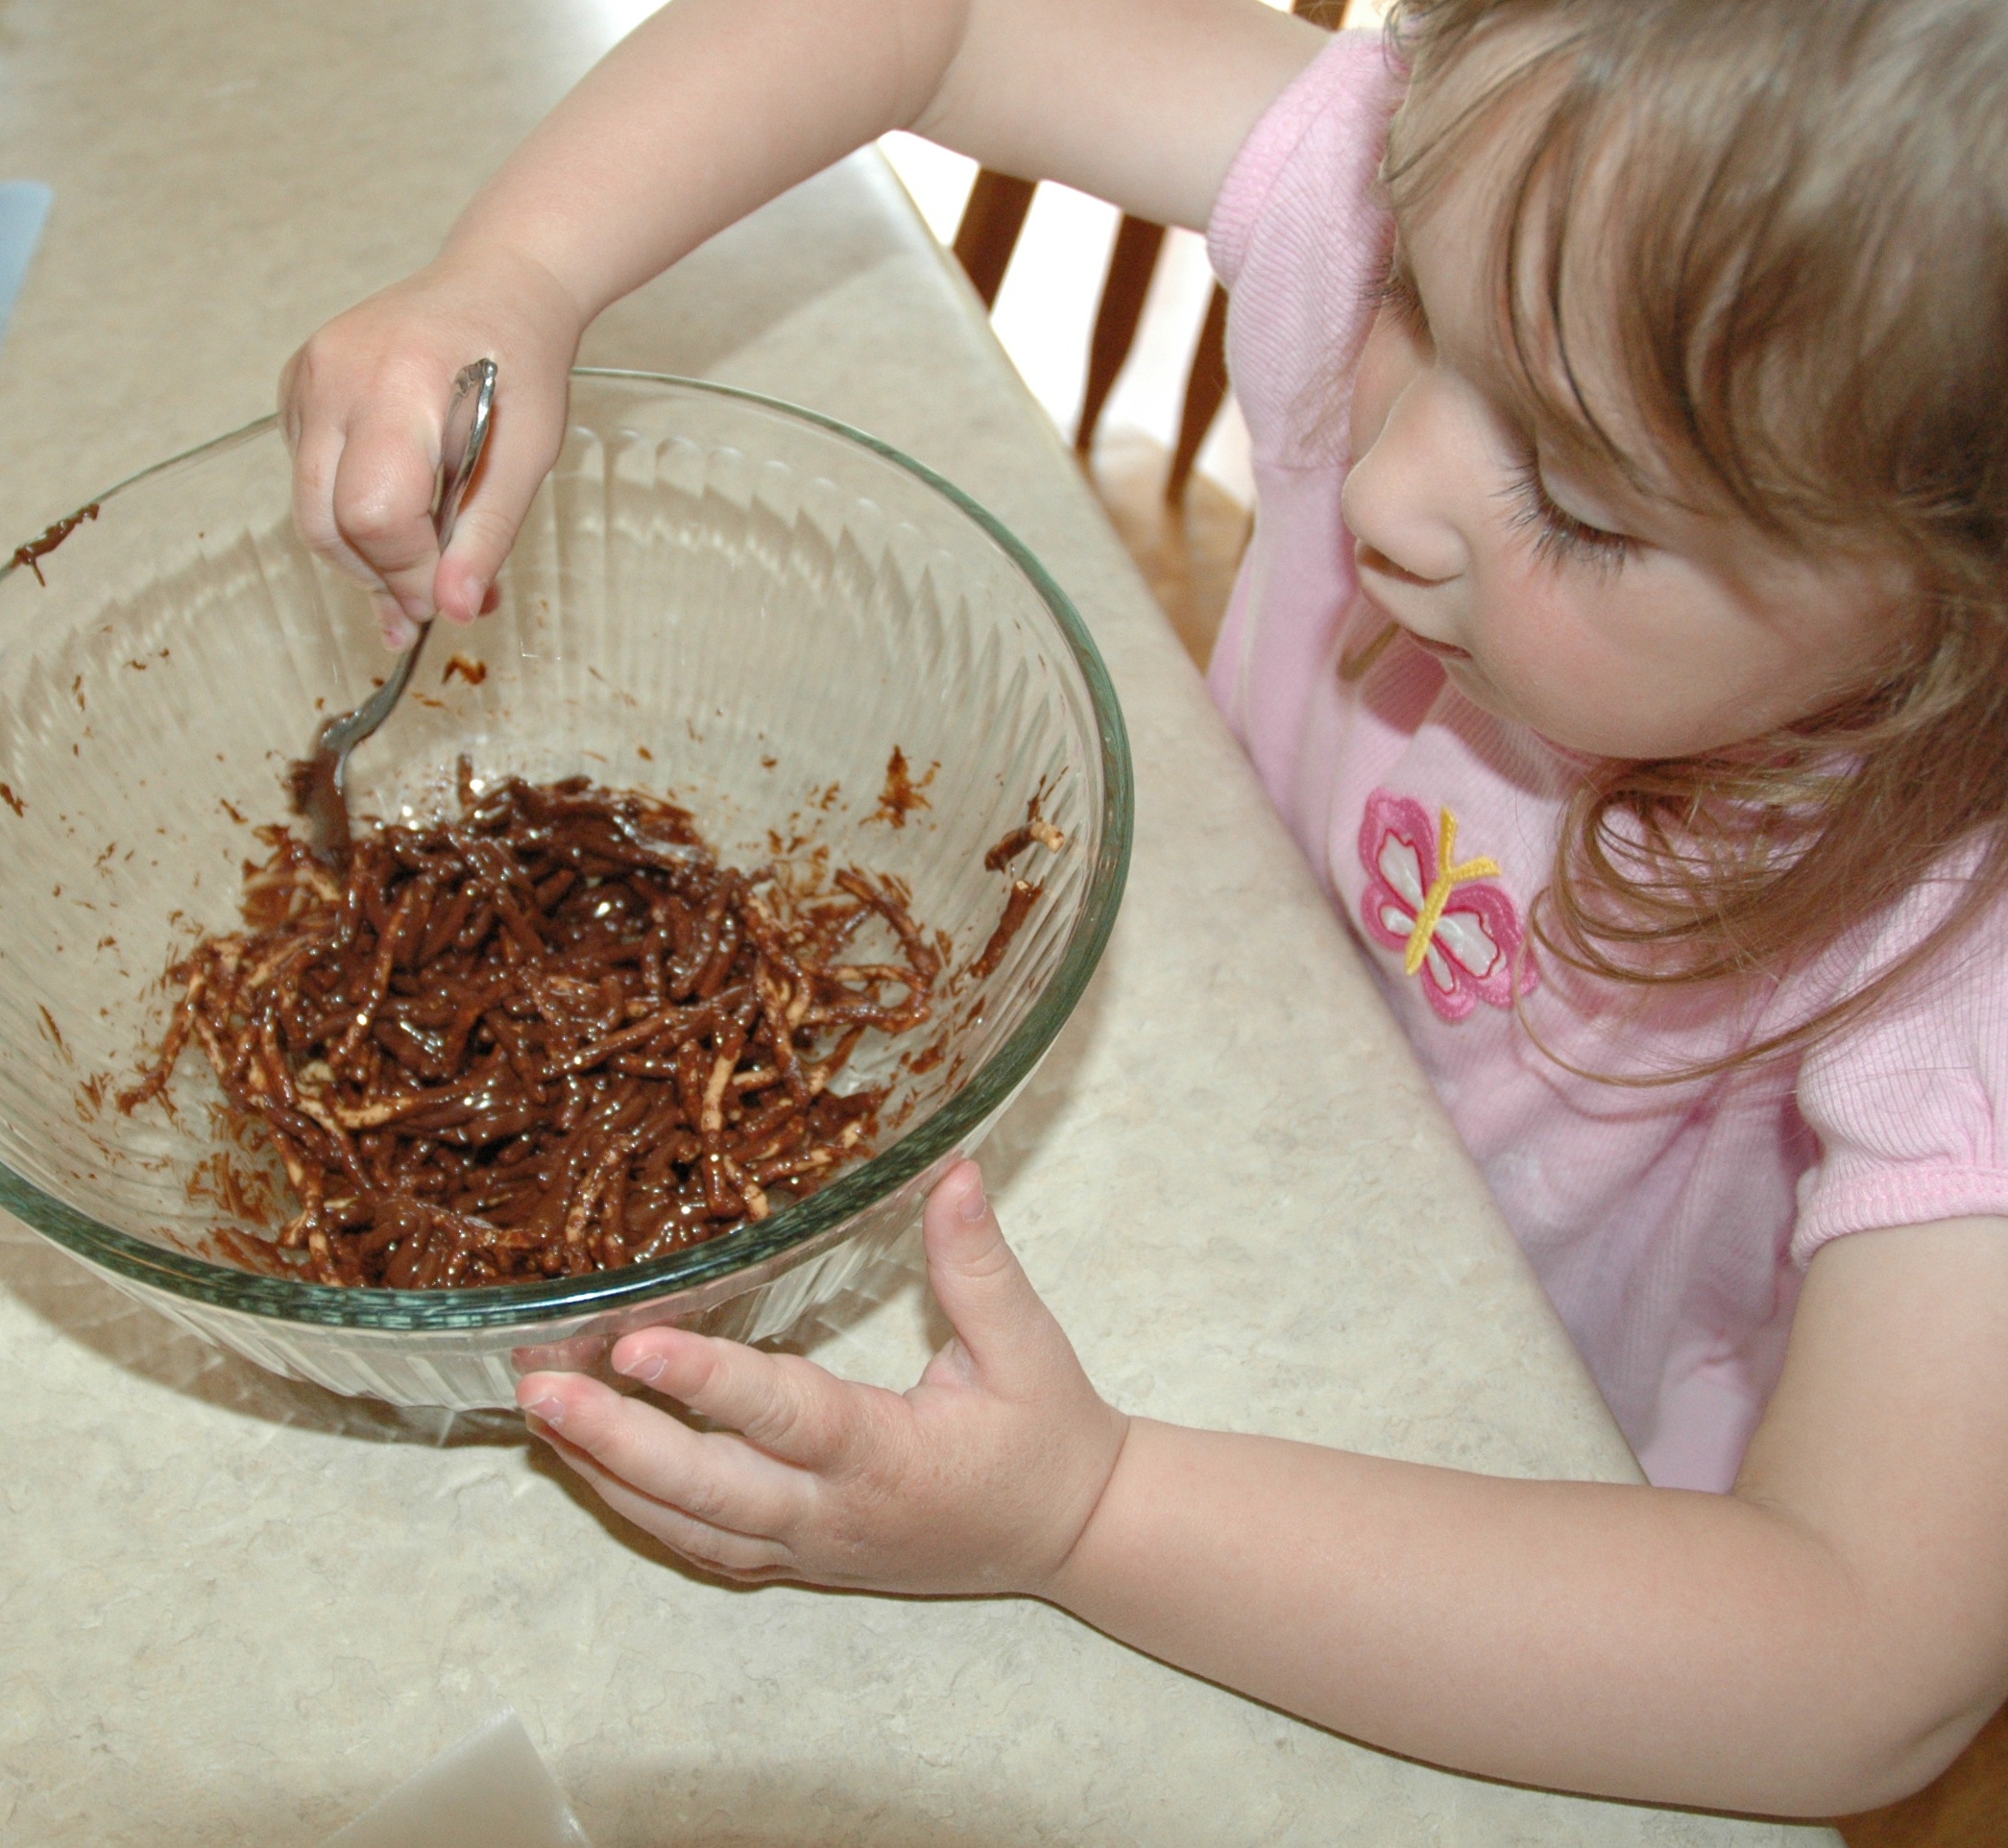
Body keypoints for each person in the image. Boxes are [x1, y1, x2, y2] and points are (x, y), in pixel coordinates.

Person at [278, 0, 2008, 1815]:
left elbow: (1853, 1659)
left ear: (1954, 626)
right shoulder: (1546, 216)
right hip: (1234, 1122)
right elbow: (928, 25)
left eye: (1580, 510)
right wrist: (522, 270)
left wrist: (1085, 1513)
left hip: (1510, 1515)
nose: (1390, 490)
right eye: (1413, 292)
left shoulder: (1953, 948)